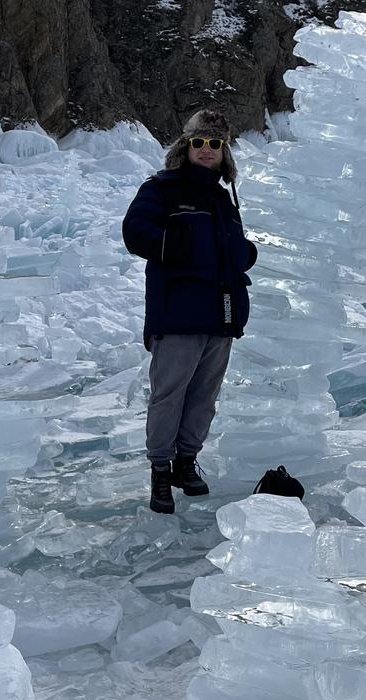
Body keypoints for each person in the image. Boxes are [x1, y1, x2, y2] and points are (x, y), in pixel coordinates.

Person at [122, 109, 258, 514]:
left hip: (221, 313)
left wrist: (244, 254)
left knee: (204, 397)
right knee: (169, 395)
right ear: (186, 146)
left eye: (215, 144)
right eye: (199, 142)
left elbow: (230, 247)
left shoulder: (221, 197)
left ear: (224, 153)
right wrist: (176, 245)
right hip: (178, 312)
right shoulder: (162, 189)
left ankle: (186, 461)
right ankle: (161, 471)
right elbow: (136, 231)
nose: (206, 150)